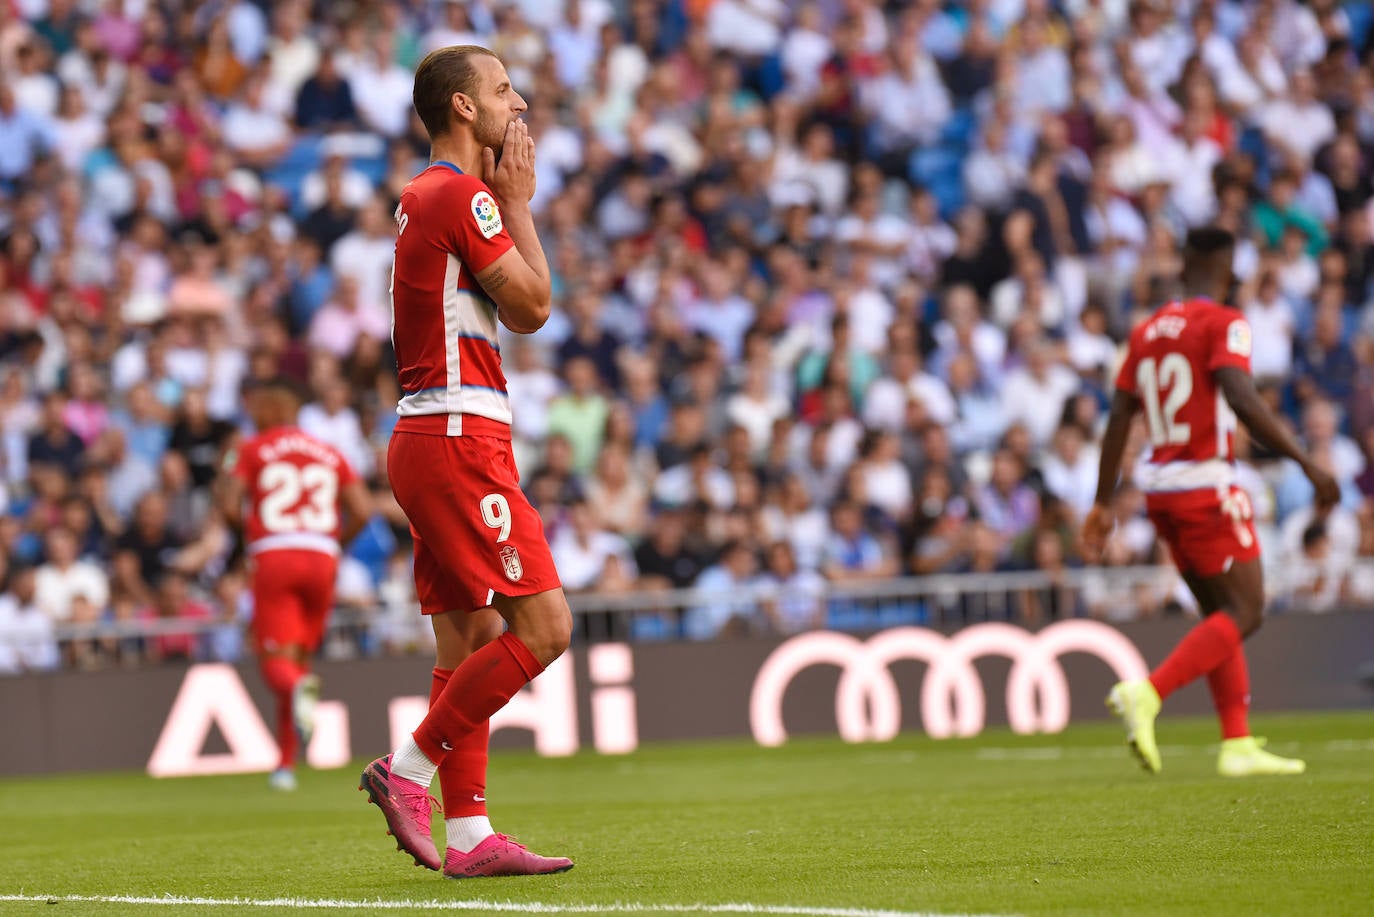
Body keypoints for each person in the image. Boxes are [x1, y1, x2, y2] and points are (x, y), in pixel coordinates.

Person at [358, 45, 574, 879]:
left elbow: (514, 312)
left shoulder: (429, 197)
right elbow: (534, 306)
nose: (518, 106)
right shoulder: (460, 195)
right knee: (545, 627)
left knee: (471, 636)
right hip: (458, 436)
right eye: (504, 90)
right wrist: (518, 204)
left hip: (431, 435)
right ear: (463, 107)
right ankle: (408, 770)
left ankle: (471, 833)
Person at [1082, 227, 1340, 779]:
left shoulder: (1146, 331)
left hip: (1161, 492)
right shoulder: (1224, 322)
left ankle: (1237, 743)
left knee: (1221, 612)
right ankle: (1148, 693)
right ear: (1226, 272)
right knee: (1247, 610)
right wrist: (1305, 460)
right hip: (1205, 485)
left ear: (1184, 267)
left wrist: (1102, 503)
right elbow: (1241, 396)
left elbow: (1118, 418)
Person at [216, 377, 371, 792]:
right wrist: (334, 545)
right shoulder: (329, 451)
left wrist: (247, 539)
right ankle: (285, 765)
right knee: (299, 660)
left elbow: (228, 502)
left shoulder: (252, 448)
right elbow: (362, 509)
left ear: (272, 408)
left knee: (277, 665)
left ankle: (295, 701)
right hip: (322, 557)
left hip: (275, 554)